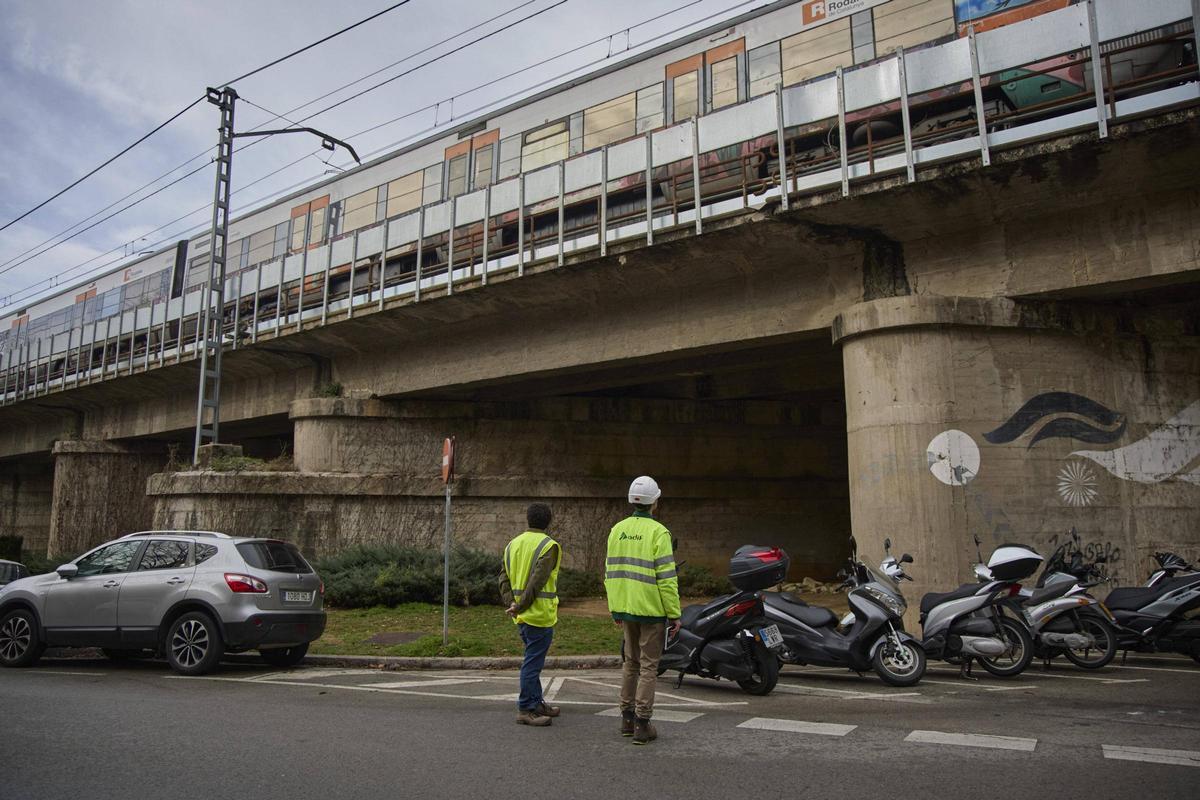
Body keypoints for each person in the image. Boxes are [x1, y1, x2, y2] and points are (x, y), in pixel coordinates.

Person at [604, 475, 681, 745]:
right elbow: (667, 579)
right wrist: (674, 613)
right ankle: (642, 723)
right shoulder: (659, 533)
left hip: (626, 609)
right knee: (649, 667)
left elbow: (610, 574)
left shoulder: (617, 530)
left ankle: (626, 719)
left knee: (630, 664)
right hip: (651, 611)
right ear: (654, 502)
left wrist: (615, 609)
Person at [499, 502, 562, 726]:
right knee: (532, 663)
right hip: (538, 615)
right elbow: (537, 582)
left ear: (527, 519)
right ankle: (526, 708)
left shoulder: (512, 545)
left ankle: (536, 701)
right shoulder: (549, 546)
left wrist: (512, 604)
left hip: (521, 616)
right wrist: (520, 606)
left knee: (532, 659)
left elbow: (503, 579)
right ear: (549, 521)